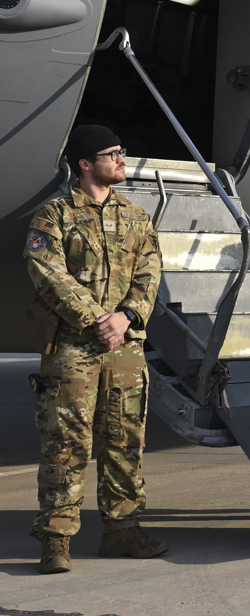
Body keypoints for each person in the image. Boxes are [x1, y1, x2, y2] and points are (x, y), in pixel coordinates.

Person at [25, 125, 168, 574]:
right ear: (85, 163)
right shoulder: (54, 216)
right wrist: (96, 319)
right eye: (112, 154)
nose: (122, 160)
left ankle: (122, 531)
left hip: (125, 348)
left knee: (126, 440)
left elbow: (151, 271)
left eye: (122, 152)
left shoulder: (137, 217)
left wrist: (125, 317)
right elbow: (47, 274)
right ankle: (56, 539)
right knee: (66, 444)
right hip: (73, 348)